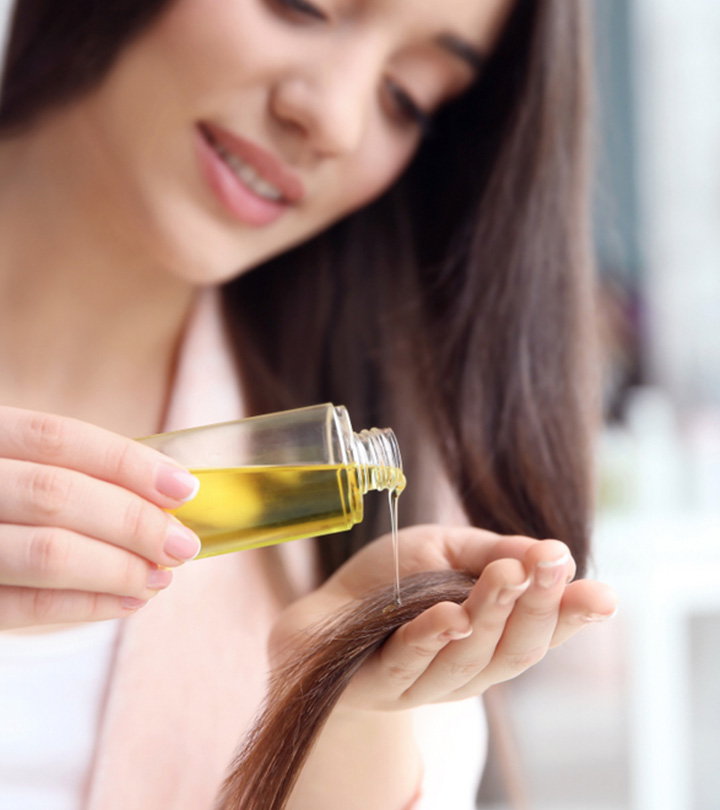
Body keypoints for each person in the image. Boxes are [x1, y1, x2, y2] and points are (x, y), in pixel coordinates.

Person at [0, 1, 618, 808]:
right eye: (302, 5)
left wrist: (336, 715)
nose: (332, 117)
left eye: (407, 96)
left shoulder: (385, 523)